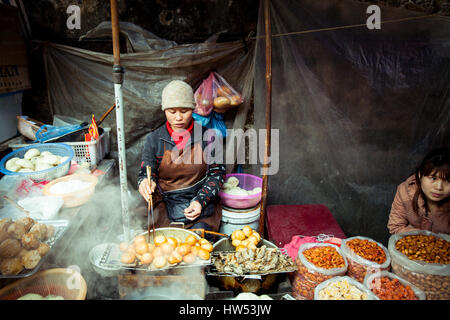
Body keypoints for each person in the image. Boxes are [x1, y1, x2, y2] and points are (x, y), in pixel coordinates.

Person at [137, 80, 226, 233]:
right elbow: (146, 170)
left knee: (199, 239)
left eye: (184, 111)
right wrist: (146, 181)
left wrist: (200, 201)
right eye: (172, 112)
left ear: (193, 109)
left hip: (200, 200)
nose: (178, 118)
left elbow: (217, 174)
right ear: (164, 110)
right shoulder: (154, 139)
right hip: (166, 202)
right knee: (161, 240)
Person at [387, 147, 450, 234]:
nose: (439, 187)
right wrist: (422, 238)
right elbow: (395, 227)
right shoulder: (405, 191)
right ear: (420, 175)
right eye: (433, 178)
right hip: (411, 246)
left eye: (448, 181)